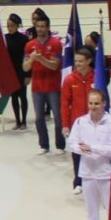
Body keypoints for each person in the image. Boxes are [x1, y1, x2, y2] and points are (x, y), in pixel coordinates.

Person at [66, 89, 111, 220]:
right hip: (87, 172)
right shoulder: (81, 122)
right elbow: (72, 143)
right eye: (90, 103)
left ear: (104, 104)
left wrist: (93, 148)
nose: (93, 107)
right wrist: (82, 150)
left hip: (106, 172)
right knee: (91, 210)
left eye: (96, 103)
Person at [29, 14, 67, 161]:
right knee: (39, 117)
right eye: (38, 26)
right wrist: (32, 59)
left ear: (48, 28)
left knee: (58, 117)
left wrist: (40, 59)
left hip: (53, 86)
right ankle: (44, 145)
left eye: (43, 26)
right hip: (37, 87)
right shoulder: (30, 45)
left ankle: (60, 145)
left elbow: (55, 65)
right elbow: (25, 67)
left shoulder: (56, 43)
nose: (40, 29)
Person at [2, 14, 30, 130]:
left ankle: (24, 121)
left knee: (22, 97)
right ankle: (17, 121)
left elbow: (27, 57)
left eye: (12, 25)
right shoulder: (4, 38)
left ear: (17, 26)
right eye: (8, 26)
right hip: (10, 72)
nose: (10, 28)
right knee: (13, 97)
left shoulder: (24, 39)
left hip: (21, 71)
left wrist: (28, 75)